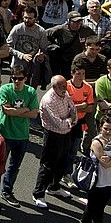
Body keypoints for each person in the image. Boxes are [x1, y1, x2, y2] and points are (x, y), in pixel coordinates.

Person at [30, 75, 77, 207]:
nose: (65, 89)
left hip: (66, 134)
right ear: (54, 87)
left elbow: (73, 110)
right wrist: (70, 120)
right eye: (62, 87)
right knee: (48, 165)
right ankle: (38, 194)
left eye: (65, 86)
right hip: (52, 136)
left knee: (63, 162)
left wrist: (71, 119)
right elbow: (58, 124)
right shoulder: (48, 101)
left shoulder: (65, 94)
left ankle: (54, 187)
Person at [0, 67, 38, 203]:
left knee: (14, 166)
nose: (16, 81)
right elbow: (7, 111)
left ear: (25, 78)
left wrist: (16, 111)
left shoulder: (30, 91)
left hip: (22, 136)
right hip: (5, 134)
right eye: (14, 78)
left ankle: (7, 191)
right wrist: (25, 109)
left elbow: (34, 114)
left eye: (20, 78)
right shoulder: (5, 89)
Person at [82, 116, 111, 223]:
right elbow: (105, 164)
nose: (108, 132)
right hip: (97, 181)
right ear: (100, 127)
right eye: (105, 128)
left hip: (110, 181)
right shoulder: (96, 142)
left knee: (100, 207)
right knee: (93, 209)